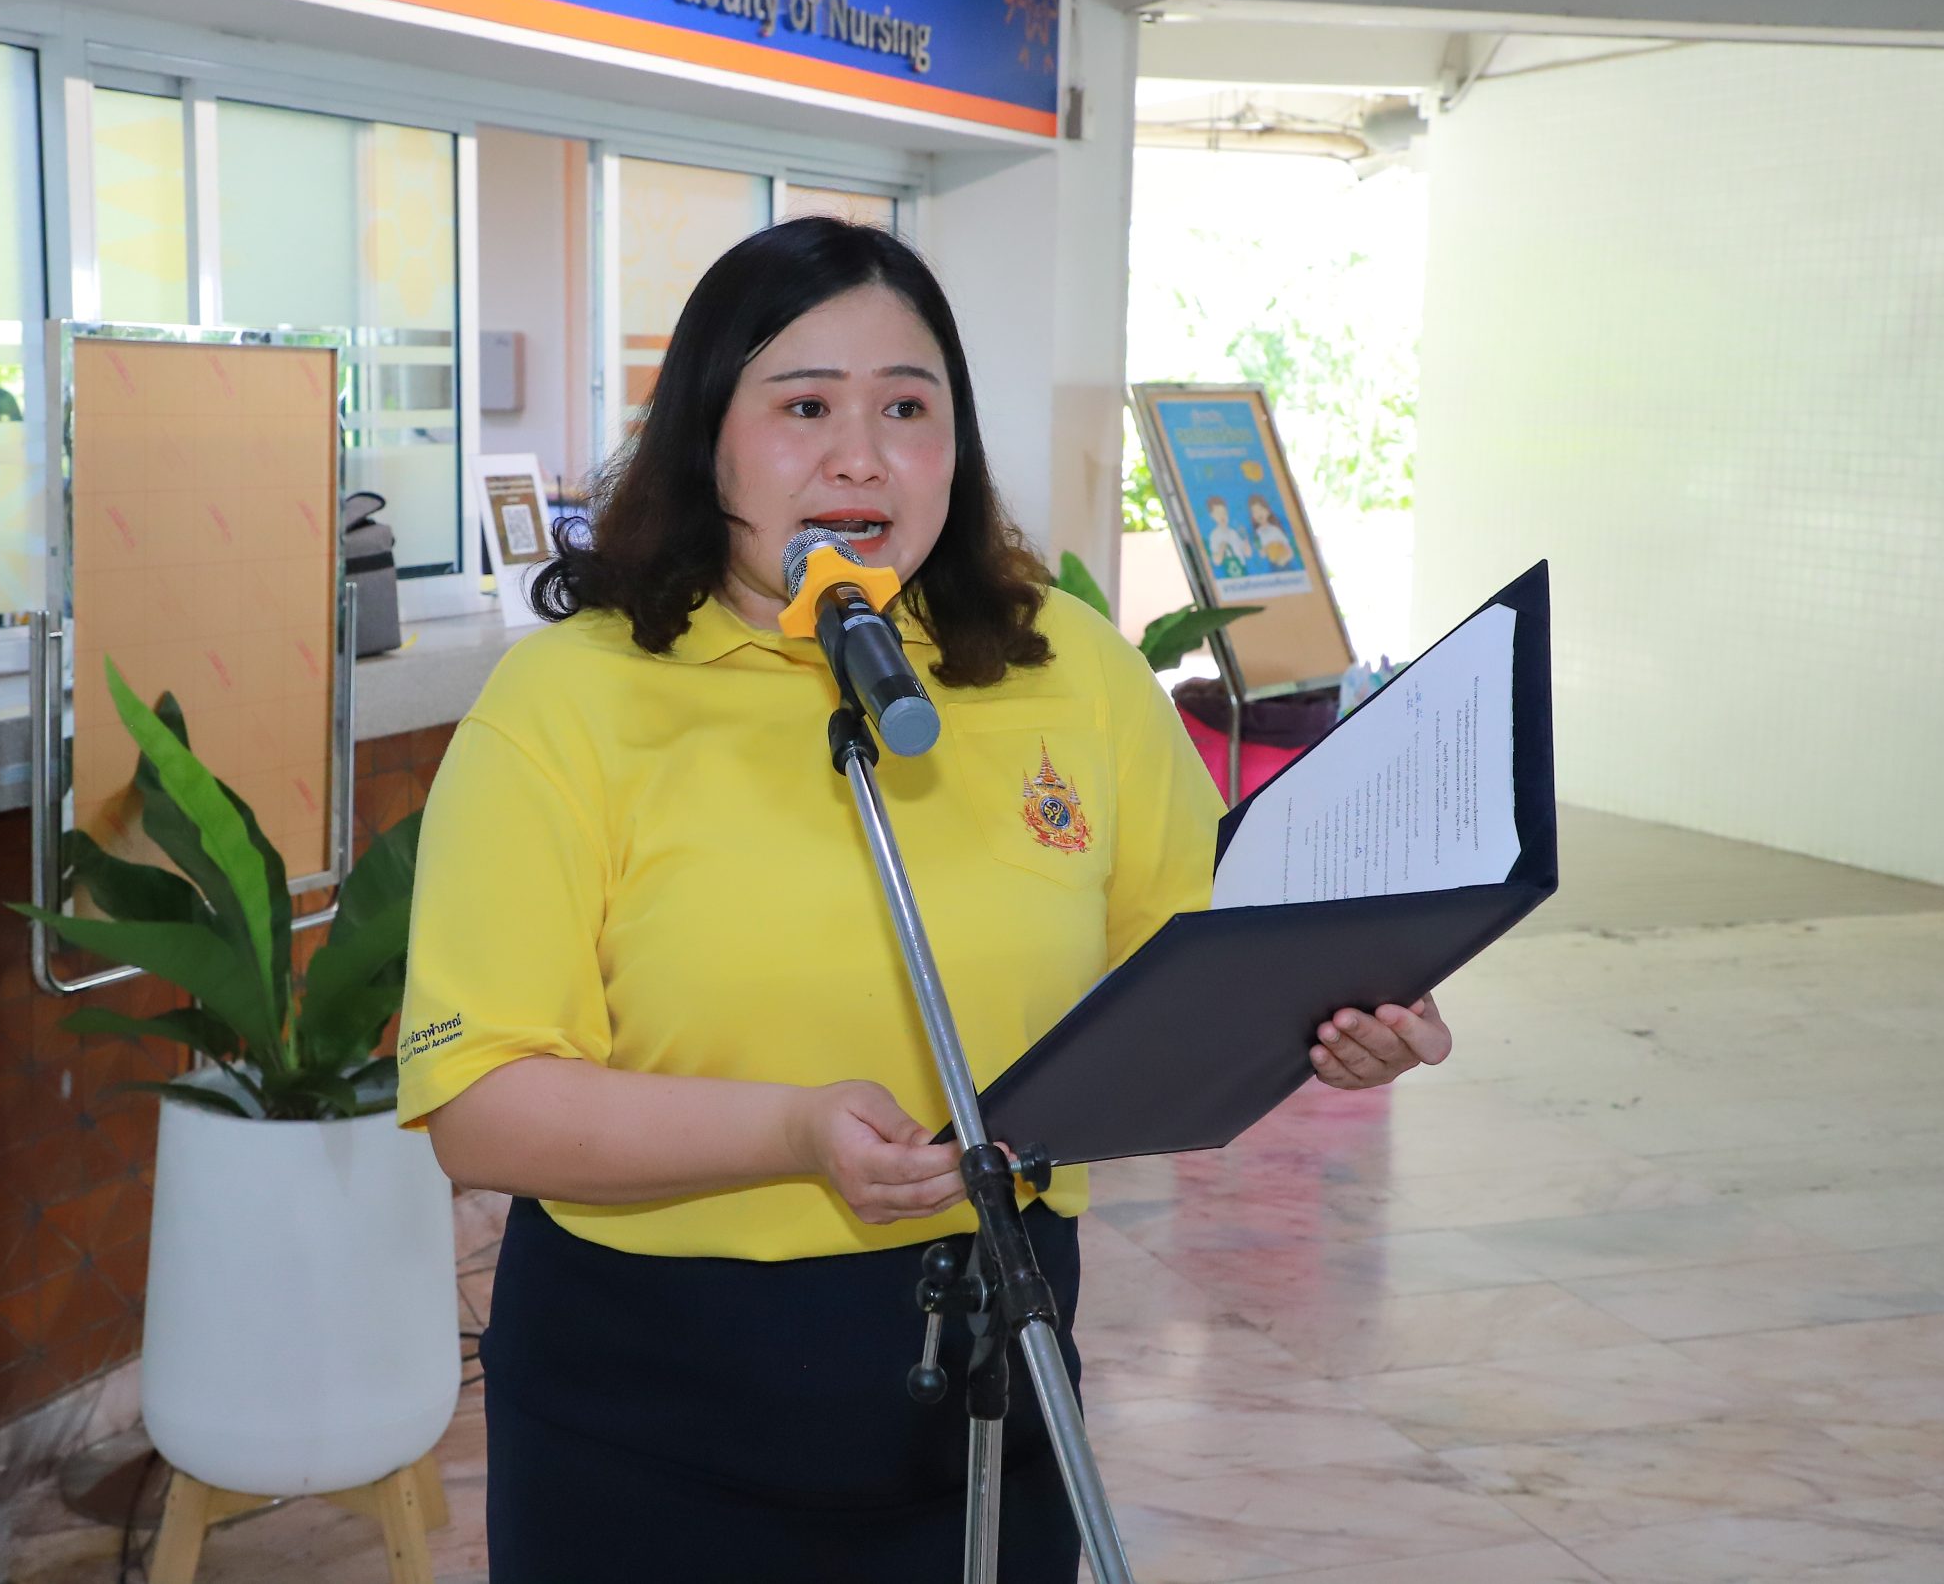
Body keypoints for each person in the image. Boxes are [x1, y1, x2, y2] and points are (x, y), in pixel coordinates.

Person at [396, 217, 1450, 1583]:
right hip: (652, 1395)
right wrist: (790, 1133)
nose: (861, 455)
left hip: (993, 1361)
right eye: (804, 408)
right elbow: (481, 1105)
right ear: (706, 440)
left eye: (907, 408)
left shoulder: (1066, 664)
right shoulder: (570, 698)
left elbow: (1197, 956)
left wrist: (1339, 1011)